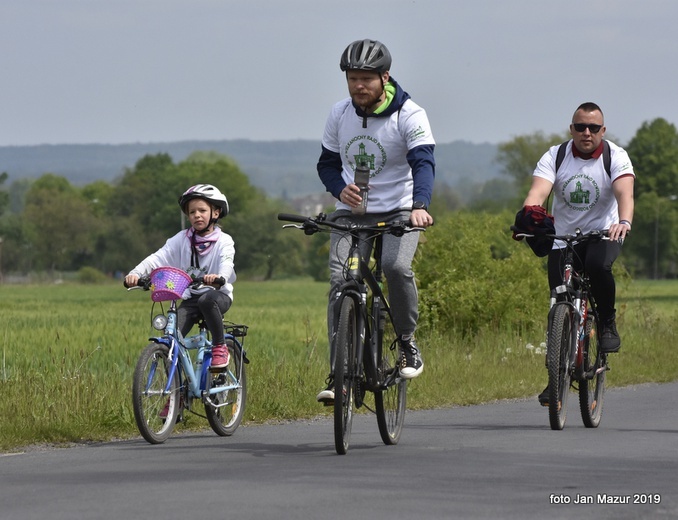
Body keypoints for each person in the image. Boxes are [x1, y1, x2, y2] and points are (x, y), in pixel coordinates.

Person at [315, 39, 436, 403]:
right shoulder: (339, 113)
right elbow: (327, 164)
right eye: (353, 79)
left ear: (385, 77)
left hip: (401, 209)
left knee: (395, 266)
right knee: (341, 281)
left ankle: (406, 342)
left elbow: (423, 163)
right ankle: (340, 374)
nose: (358, 86)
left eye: (366, 79)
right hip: (355, 213)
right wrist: (340, 189)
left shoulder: (409, 114)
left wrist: (420, 204)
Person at [516, 102, 635, 406]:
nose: (586, 132)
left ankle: (606, 321)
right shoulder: (555, 156)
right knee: (559, 302)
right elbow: (537, 193)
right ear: (571, 129)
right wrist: (529, 216)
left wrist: (623, 221)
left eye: (593, 128)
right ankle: (555, 380)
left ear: (602, 131)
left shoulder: (615, 156)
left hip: (603, 234)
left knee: (598, 266)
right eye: (580, 127)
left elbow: (625, 194)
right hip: (563, 238)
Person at [125, 184, 236, 371]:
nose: (197, 215)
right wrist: (136, 273)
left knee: (207, 300)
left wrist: (220, 277)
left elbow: (227, 261)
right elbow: (157, 258)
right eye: (192, 212)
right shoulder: (182, 239)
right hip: (191, 297)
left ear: (215, 213)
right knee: (171, 340)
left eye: (202, 210)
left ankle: (219, 347)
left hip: (217, 296)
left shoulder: (224, 241)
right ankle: (177, 395)